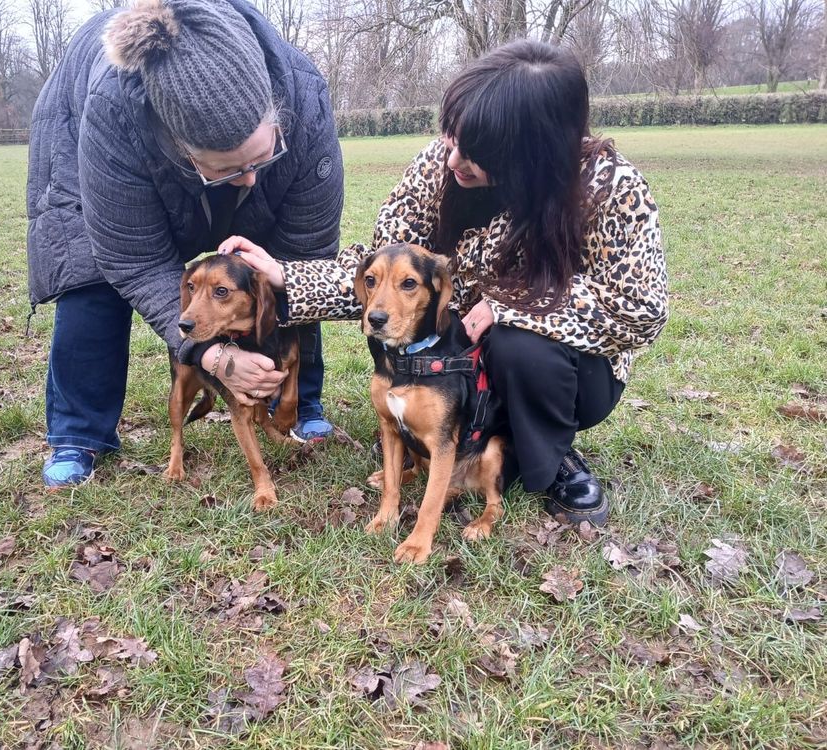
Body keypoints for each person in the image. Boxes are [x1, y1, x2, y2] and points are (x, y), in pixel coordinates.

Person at [223, 40, 668, 525]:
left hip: (570, 370)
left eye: (477, 154)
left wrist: (510, 307)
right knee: (456, 335)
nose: (454, 160)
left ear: (535, 154)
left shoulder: (609, 188)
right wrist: (288, 276)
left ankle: (547, 450)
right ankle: (435, 431)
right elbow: (387, 273)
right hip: (452, 357)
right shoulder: (439, 166)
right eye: (451, 137)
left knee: (518, 343)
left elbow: (639, 311)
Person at [26, 0, 343, 488]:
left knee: (281, 273)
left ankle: (297, 402)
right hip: (88, 144)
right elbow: (136, 261)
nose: (252, 179)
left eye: (262, 155)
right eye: (229, 168)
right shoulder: (113, 113)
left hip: (270, 146)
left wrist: (278, 279)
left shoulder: (304, 97)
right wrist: (211, 356)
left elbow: (306, 254)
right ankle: (78, 433)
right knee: (89, 278)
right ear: (180, 150)